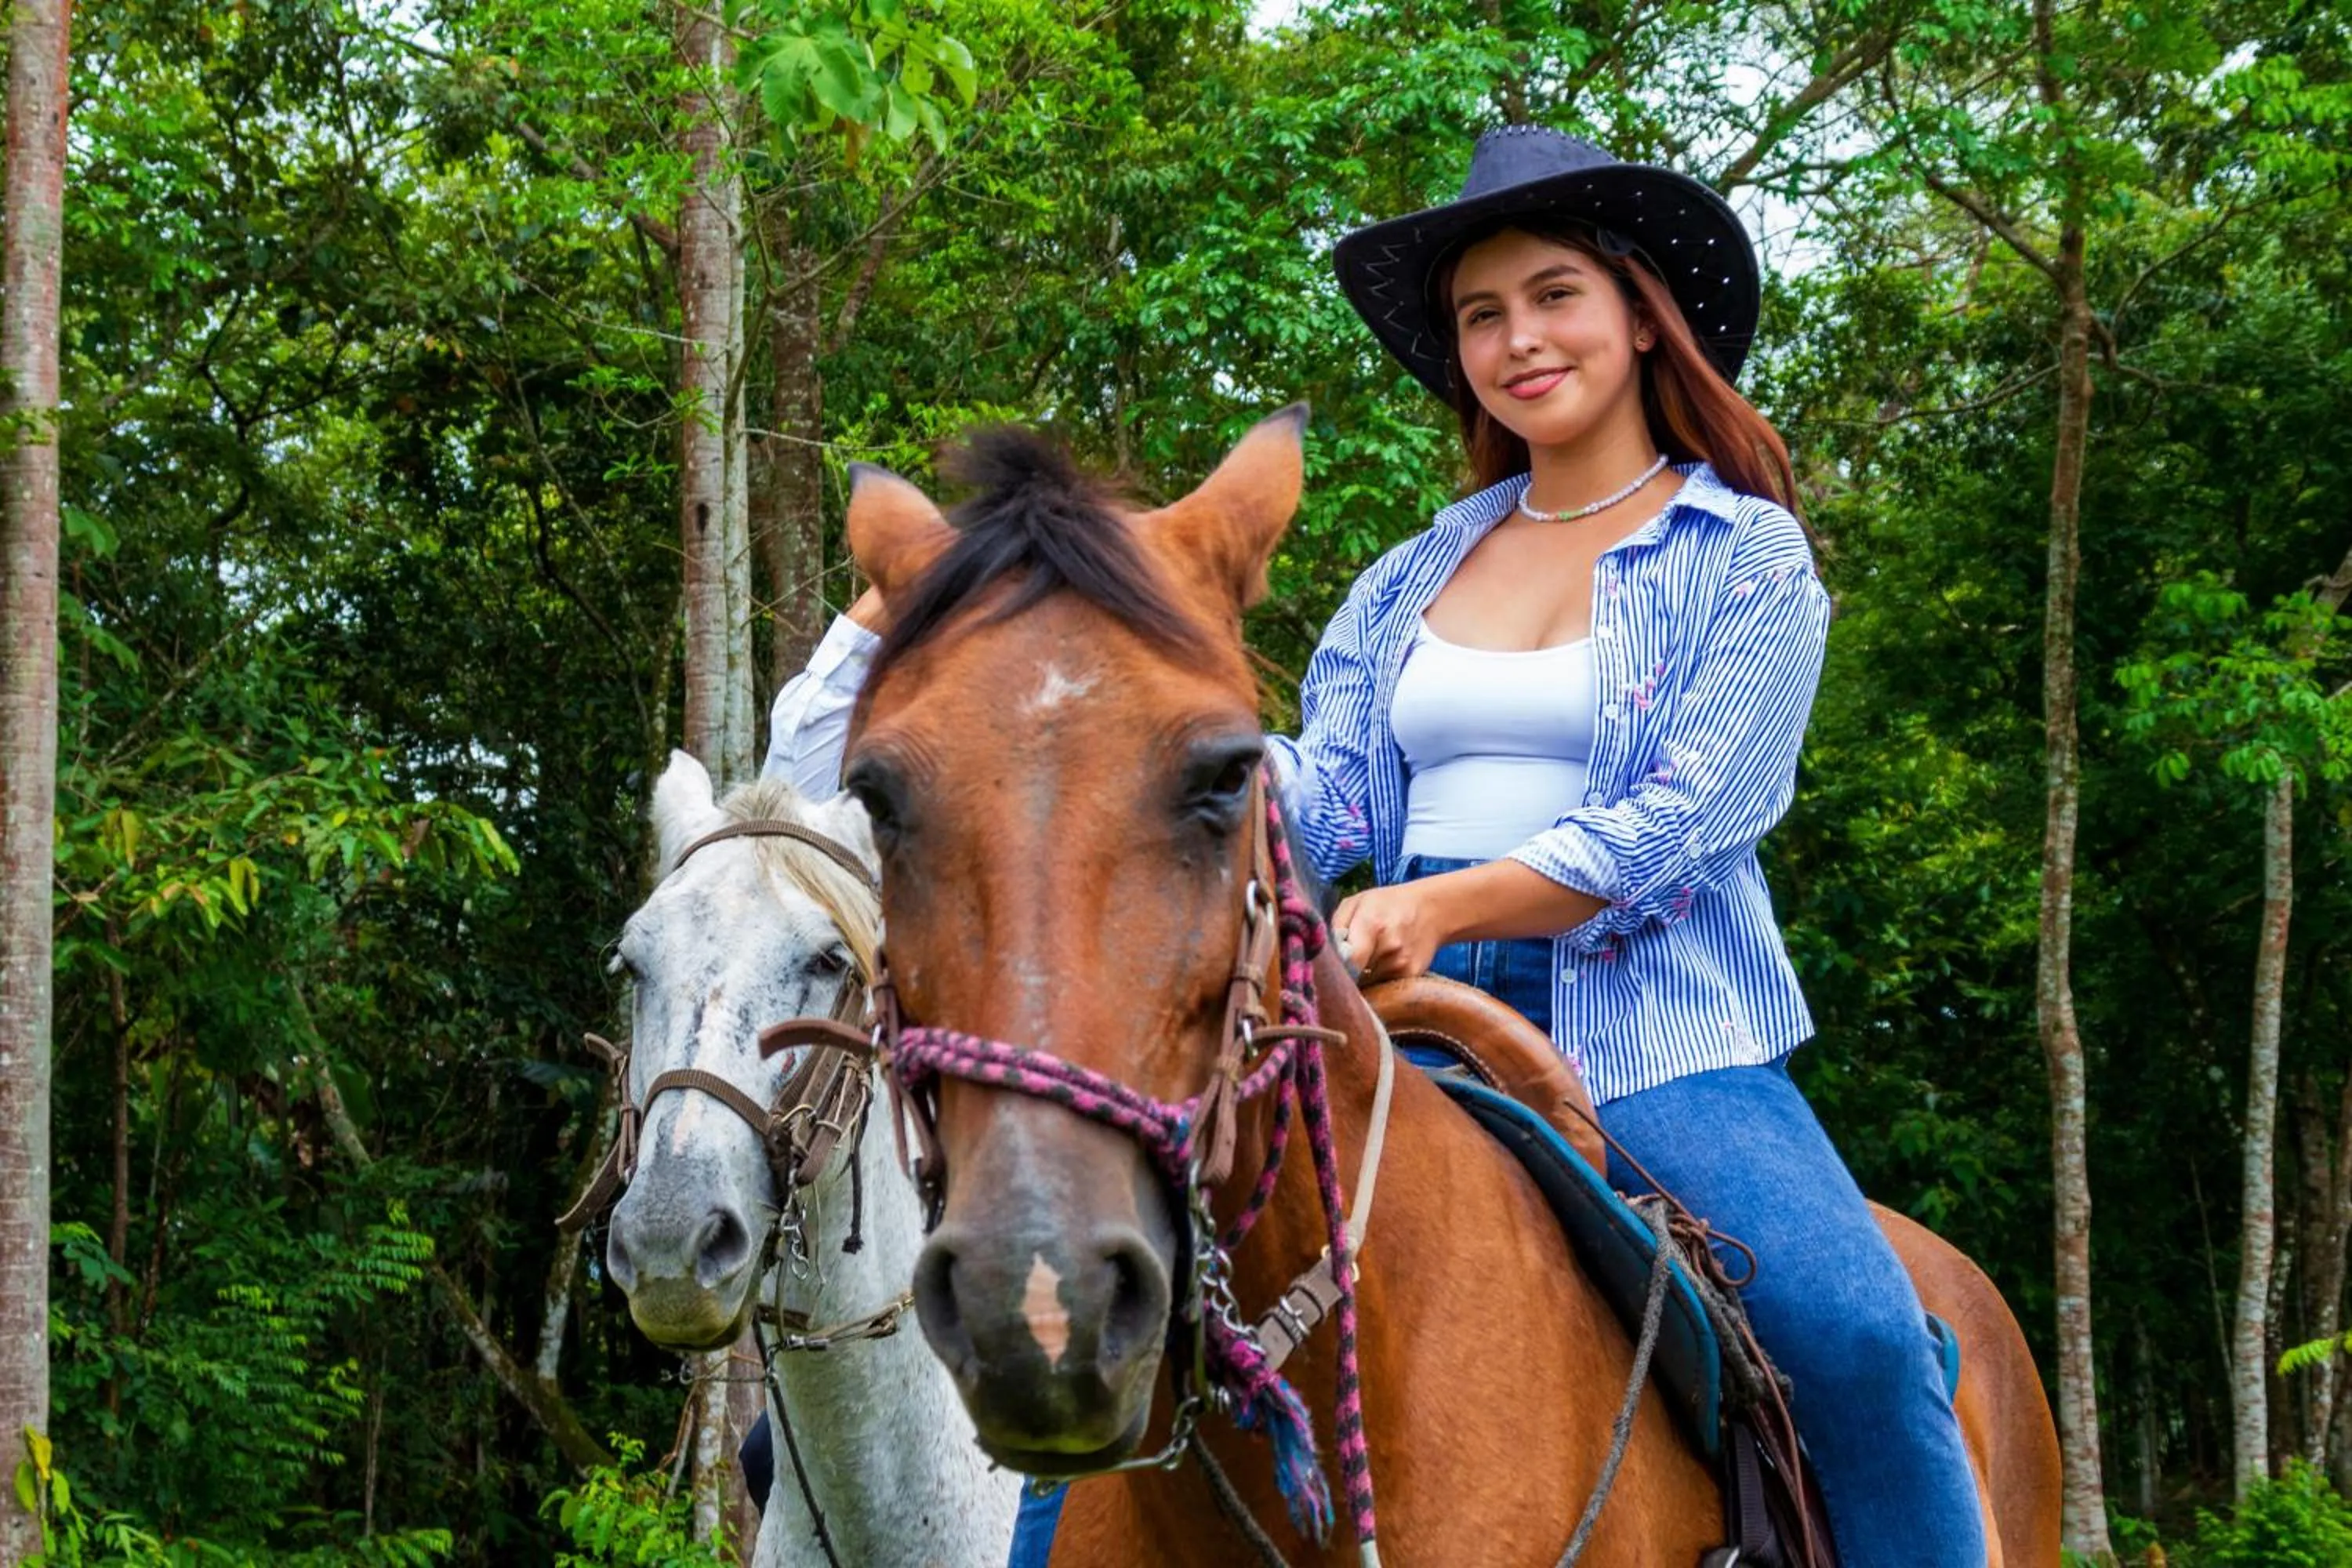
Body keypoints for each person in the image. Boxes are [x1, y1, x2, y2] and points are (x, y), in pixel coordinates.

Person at [763, 126, 1980, 1568]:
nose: (1519, 340)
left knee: (1859, 1342)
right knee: (1122, 1328)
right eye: (1482, 316)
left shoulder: (1745, 557)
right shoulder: (1412, 575)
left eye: (1553, 296)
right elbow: (1315, 795)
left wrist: (1445, 903)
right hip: (1375, 1022)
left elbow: (1695, 812)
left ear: (1643, 314)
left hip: (1664, 1045)